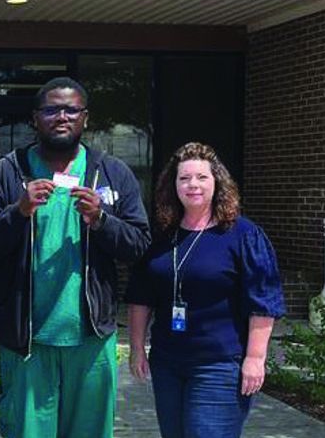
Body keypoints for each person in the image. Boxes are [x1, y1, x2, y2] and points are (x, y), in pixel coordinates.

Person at [0, 76, 151, 438]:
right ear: (35, 118)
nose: (61, 117)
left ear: (85, 118)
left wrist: (101, 220)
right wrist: (17, 212)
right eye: (51, 109)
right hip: (28, 338)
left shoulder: (111, 173)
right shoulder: (6, 173)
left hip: (91, 337)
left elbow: (139, 245)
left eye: (71, 109)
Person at [126, 142, 285, 438]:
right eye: (184, 178)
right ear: (172, 186)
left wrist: (255, 358)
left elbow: (263, 301)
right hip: (167, 364)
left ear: (217, 183)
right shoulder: (163, 237)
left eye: (201, 177)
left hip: (220, 366)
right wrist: (137, 348)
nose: (192, 185)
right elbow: (140, 297)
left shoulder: (243, 235)